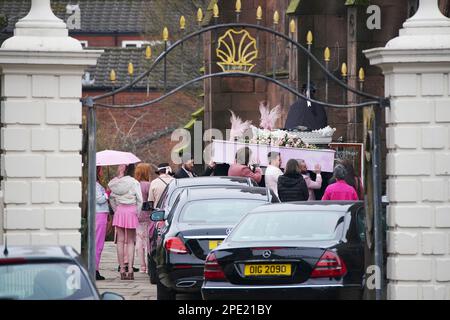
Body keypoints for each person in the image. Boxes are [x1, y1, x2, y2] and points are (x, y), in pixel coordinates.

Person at [109, 164, 143, 280]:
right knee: (130, 242)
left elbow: (111, 198)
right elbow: (140, 200)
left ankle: (122, 269)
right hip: (131, 210)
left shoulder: (115, 183)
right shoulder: (134, 182)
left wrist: (116, 209)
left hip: (120, 211)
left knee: (120, 241)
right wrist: (136, 213)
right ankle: (131, 269)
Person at [134, 163, 151, 274]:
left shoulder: (135, 184)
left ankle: (142, 266)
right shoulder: (148, 185)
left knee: (139, 240)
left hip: (136, 213)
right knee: (148, 240)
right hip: (147, 214)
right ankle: (149, 266)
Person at [95, 166, 109, 281]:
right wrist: (107, 193)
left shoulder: (97, 184)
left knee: (98, 243)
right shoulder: (95, 185)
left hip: (100, 214)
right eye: (100, 170)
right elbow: (100, 200)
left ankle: (96, 268)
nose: (102, 172)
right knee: (98, 244)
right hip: (99, 215)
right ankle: (95, 269)